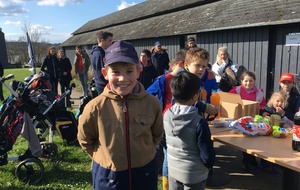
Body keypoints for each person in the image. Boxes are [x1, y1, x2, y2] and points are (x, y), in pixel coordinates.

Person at [77, 41, 163, 190]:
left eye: (129, 71)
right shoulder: (94, 107)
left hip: (144, 174)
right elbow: (85, 140)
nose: (123, 79)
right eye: (115, 72)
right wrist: (106, 160)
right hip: (108, 178)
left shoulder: (152, 103)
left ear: (138, 71)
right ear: (105, 73)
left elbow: (156, 135)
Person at [164, 71, 215, 190]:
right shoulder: (199, 122)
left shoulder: (167, 115)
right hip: (193, 174)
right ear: (195, 96)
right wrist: (207, 166)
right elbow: (207, 155)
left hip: (173, 170)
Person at [229, 71, 266, 171]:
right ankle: (246, 160)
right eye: (245, 81)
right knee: (244, 141)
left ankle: (250, 159)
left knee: (252, 139)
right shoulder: (236, 91)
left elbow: (262, 105)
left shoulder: (259, 93)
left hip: (253, 120)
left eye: (251, 81)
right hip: (238, 119)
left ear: (254, 81)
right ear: (241, 81)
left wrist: (260, 109)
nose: (248, 83)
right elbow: (228, 100)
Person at [258, 91, 288, 176]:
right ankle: (263, 164)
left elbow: (287, 119)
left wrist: (282, 114)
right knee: (264, 150)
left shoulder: (283, 111)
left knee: (275, 152)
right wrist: (263, 113)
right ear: (272, 101)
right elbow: (261, 110)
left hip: (277, 134)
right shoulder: (268, 108)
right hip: (267, 133)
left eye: (282, 102)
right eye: (277, 101)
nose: (279, 103)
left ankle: (275, 167)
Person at [91, 31, 113, 95]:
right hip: (102, 84)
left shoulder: (98, 52)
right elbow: (101, 71)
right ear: (102, 40)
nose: (111, 43)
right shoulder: (99, 54)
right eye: (109, 40)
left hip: (100, 83)